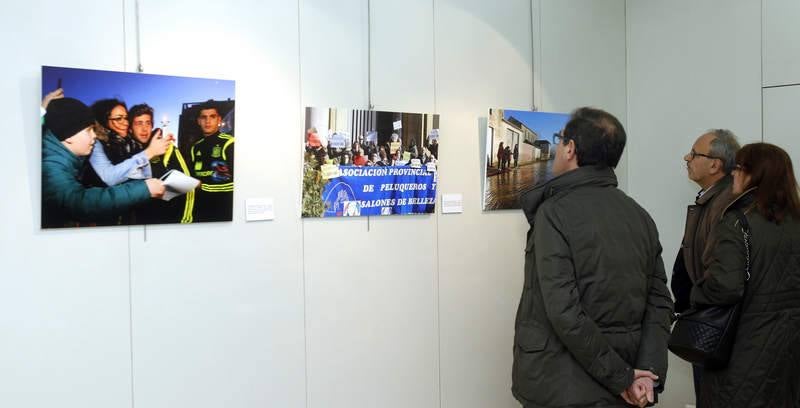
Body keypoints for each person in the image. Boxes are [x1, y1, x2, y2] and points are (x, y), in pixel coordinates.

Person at [513, 107, 673, 408]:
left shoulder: (555, 213)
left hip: (563, 386)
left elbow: (564, 311)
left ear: (570, 149)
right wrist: (645, 374)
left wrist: (623, 377)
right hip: (620, 384)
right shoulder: (639, 216)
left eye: (560, 140)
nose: (559, 147)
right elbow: (660, 302)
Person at [691, 143, 800, 407]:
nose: (734, 175)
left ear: (756, 174)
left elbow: (726, 286)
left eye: (739, 168)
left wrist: (696, 291)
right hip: (790, 352)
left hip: (744, 349)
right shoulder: (796, 221)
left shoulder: (738, 222)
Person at [671, 129, 739, 405]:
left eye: (694, 153)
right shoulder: (710, 199)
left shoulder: (724, 205)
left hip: (713, 326)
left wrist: (695, 301)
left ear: (715, 164)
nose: (687, 157)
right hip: (705, 322)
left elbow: (723, 276)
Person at [41, 98, 164, 228]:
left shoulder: (129, 143)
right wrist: (149, 154)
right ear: (105, 120)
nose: (125, 123)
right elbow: (104, 180)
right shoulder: (94, 145)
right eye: (118, 118)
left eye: (126, 118)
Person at [128, 103, 195, 224]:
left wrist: (184, 221)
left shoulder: (167, 148)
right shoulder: (126, 152)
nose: (144, 129)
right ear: (130, 128)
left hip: (167, 220)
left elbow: (187, 186)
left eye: (148, 123)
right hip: (138, 222)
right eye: (139, 123)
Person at [190, 100, 234, 222]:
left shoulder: (228, 143)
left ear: (219, 120)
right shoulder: (195, 147)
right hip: (199, 210)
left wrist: (202, 186)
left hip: (222, 211)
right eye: (204, 117)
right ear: (199, 121)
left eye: (212, 117)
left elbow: (232, 184)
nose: (207, 121)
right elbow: (196, 176)